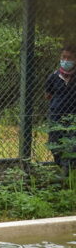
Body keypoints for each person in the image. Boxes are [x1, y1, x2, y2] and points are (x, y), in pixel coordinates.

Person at [45, 44, 76, 173]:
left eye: (69, 58)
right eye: (63, 57)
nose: (66, 60)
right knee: (54, 143)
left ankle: (67, 171)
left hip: (73, 118)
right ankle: (61, 166)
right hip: (56, 115)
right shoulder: (53, 77)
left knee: (71, 145)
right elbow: (48, 95)